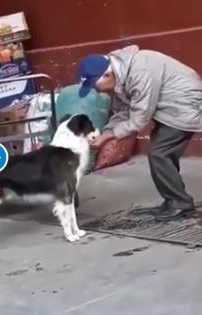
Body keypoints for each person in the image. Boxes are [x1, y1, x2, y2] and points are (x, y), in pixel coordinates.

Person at [77, 45, 202, 220]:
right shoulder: (119, 76)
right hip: (165, 107)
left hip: (184, 104)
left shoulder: (139, 72)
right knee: (161, 154)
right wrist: (104, 133)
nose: (97, 91)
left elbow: (139, 119)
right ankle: (175, 200)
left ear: (107, 75)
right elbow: (122, 112)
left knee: (159, 154)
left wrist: (109, 136)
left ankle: (180, 203)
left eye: (95, 85)